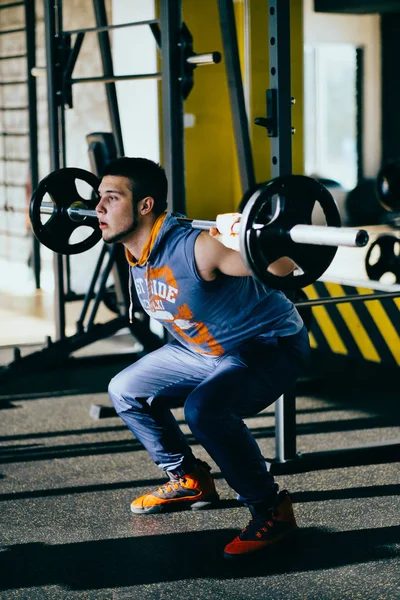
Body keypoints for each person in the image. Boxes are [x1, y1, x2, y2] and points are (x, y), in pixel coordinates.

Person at [95, 157, 310, 560]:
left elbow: (287, 270)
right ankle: (190, 479)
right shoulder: (136, 252)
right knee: (124, 389)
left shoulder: (198, 246)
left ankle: (271, 509)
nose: (98, 209)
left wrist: (250, 238)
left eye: (111, 198)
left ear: (145, 205)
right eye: (98, 198)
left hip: (266, 345)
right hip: (199, 351)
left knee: (205, 410)